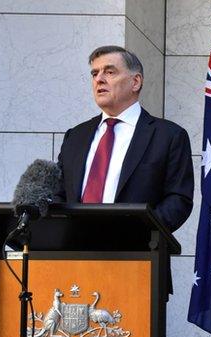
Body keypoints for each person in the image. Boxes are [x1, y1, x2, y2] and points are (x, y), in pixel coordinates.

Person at [55, 45, 194, 232]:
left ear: (135, 82)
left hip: (137, 254)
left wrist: (136, 235)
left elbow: (178, 199)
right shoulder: (76, 136)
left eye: (109, 72)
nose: (99, 79)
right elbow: (58, 194)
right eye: (94, 73)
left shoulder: (168, 136)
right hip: (75, 253)